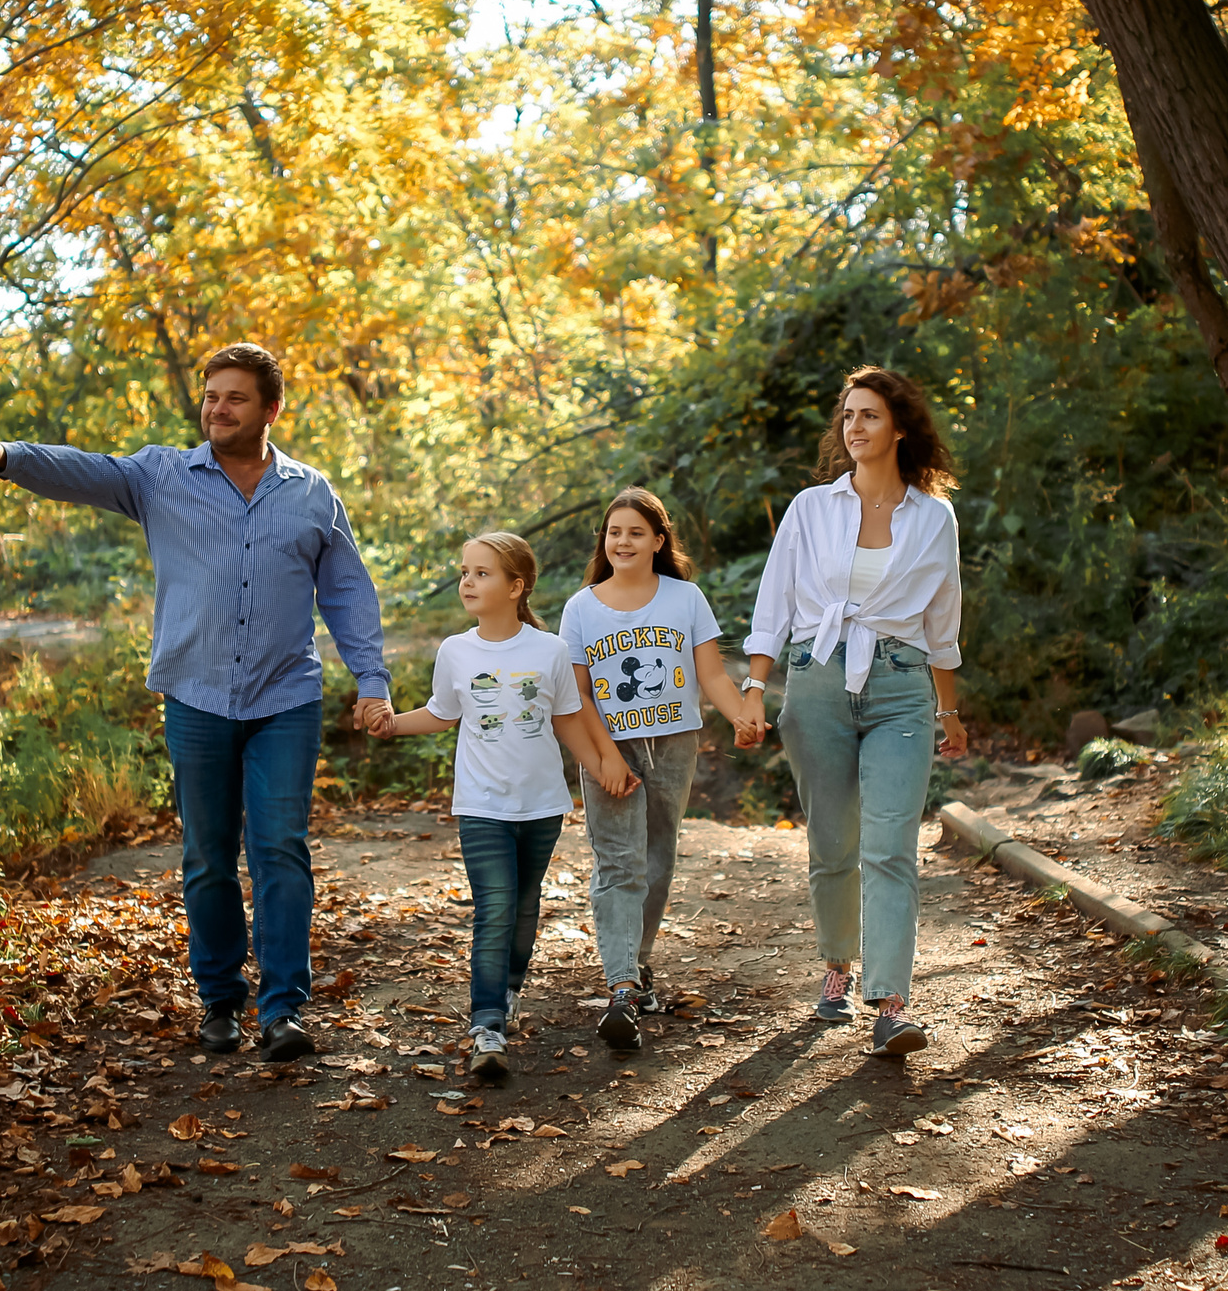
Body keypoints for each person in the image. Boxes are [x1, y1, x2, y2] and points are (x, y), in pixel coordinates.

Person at [0, 343, 392, 1063]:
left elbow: (345, 590)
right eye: (211, 395)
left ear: (271, 410)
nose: (217, 407)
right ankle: (220, 1002)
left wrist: (371, 679)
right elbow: (87, 470)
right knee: (208, 857)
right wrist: (4, 455)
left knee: (279, 849)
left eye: (235, 397)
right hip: (197, 695)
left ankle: (283, 1010)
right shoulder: (162, 475)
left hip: (286, 698)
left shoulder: (311, 492)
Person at [738, 365, 967, 1059]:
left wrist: (949, 711)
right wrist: (755, 686)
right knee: (832, 842)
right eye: (847, 416)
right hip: (817, 683)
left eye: (868, 415)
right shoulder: (813, 507)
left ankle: (892, 1002)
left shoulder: (934, 517)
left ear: (899, 426)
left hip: (901, 686)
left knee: (891, 843)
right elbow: (774, 602)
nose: (855, 427)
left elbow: (942, 619)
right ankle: (837, 965)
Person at [368, 533, 635, 1081]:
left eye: (482, 573)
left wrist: (601, 764)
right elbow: (443, 713)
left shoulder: (550, 650)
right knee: (494, 908)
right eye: (465, 571)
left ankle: (510, 988)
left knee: (524, 905)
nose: (468, 581)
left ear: (516, 586)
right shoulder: (455, 651)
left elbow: (566, 719)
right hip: (481, 804)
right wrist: (393, 723)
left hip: (540, 806)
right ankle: (487, 1025)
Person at [559, 487, 762, 1052]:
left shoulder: (685, 598)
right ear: (604, 541)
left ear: (658, 540)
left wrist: (742, 714)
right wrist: (605, 758)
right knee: (619, 863)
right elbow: (576, 696)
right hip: (609, 746)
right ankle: (620, 987)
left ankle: (639, 965)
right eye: (614, 532)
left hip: (675, 743)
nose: (622, 541)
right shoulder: (582, 608)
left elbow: (713, 676)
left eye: (635, 532)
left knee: (657, 860)